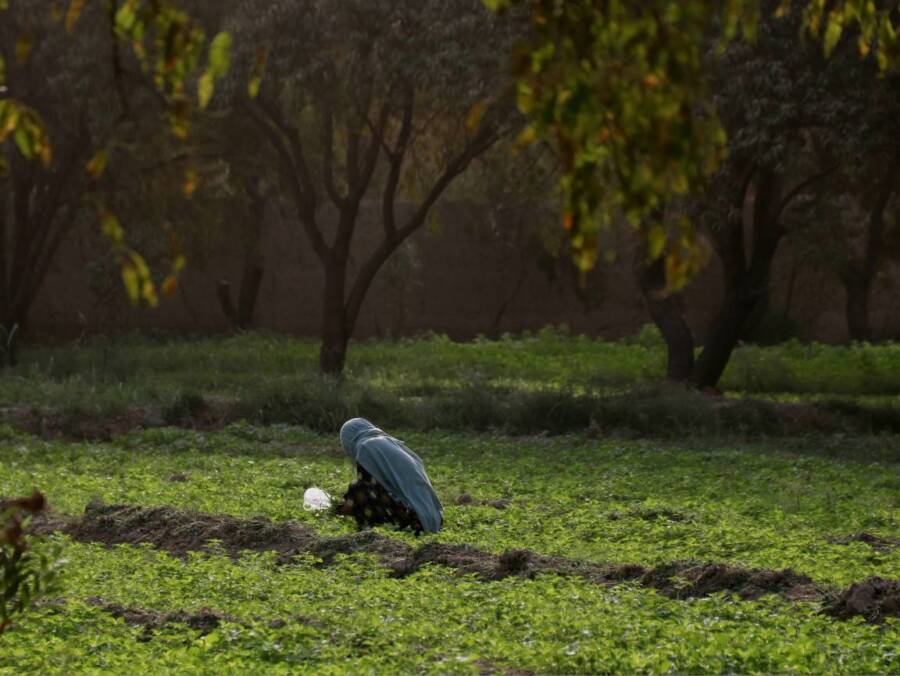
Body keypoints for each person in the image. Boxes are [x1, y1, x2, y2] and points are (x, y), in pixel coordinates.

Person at [337, 418, 443, 534]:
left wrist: (342, 508)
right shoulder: (390, 442)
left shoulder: (365, 447)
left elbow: (366, 487)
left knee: (357, 488)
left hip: (414, 519)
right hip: (434, 518)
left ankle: (381, 529)